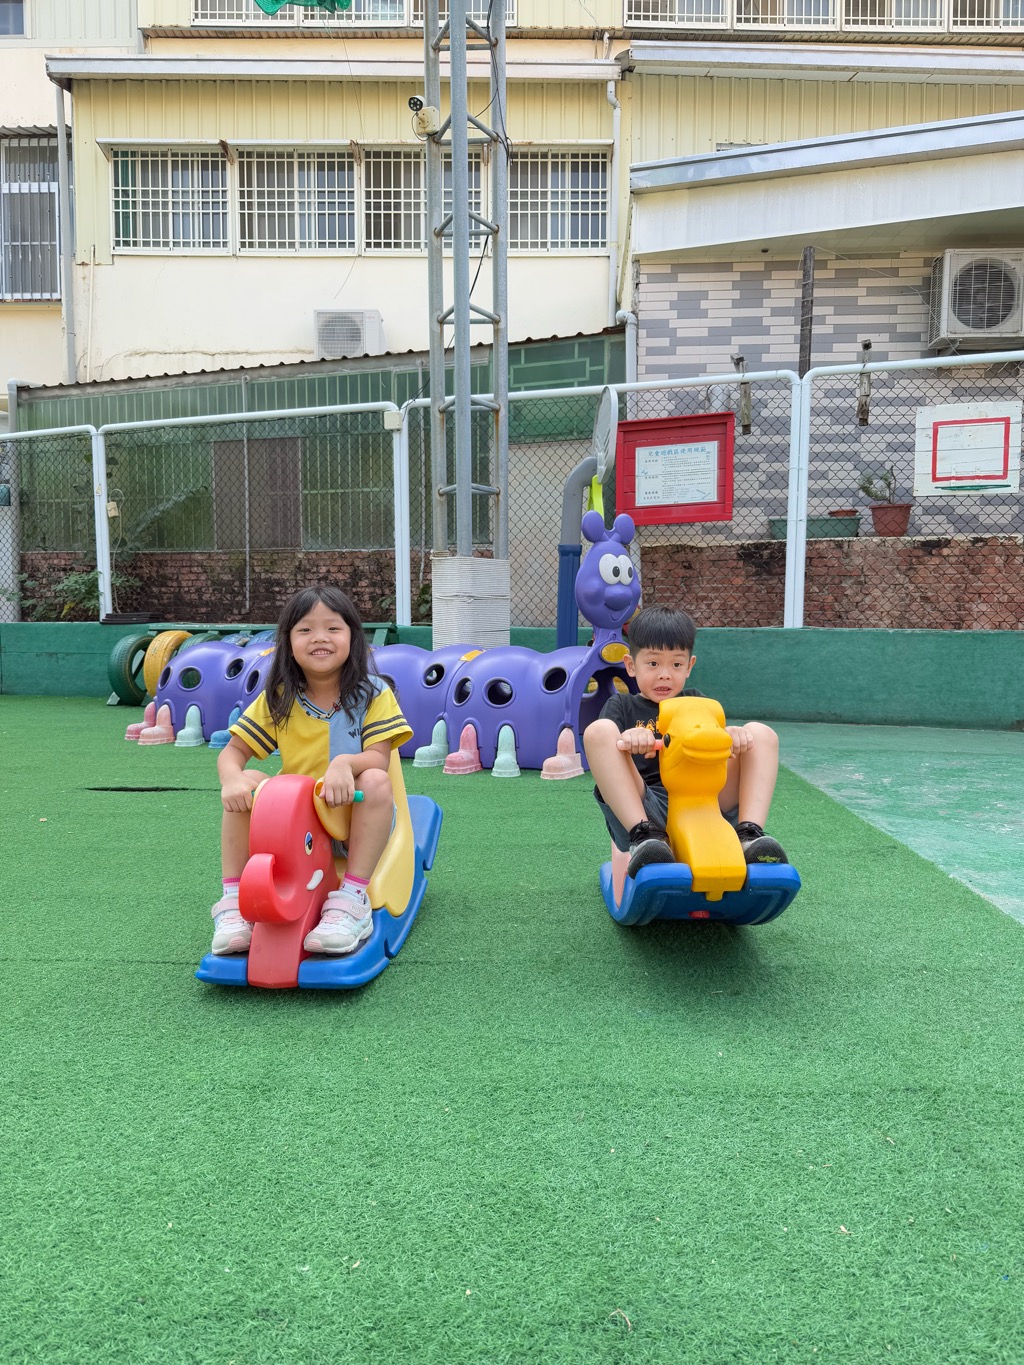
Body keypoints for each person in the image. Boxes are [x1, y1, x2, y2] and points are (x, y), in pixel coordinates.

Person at [209, 584, 412, 957]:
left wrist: (344, 763)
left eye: (333, 628)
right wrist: (232, 778)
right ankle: (234, 900)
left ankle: (352, 899)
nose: (320, 638)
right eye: (305, 629)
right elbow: (233, 752)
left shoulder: (373, 694)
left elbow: (379, 758)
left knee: (375, 780)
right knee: (249, 782)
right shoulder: (280, 697)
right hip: (293, 828)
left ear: (353, 637)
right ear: (288, 642)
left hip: (352, 822)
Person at [583, 604, 788, 880]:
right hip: (648, 806)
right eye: (653, 664)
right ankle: (644, 838)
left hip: (705, 801)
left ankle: (749, 834)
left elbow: (717, 747)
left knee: (760, 734)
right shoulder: (622, 706)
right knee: (599, 732)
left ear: (689, 666)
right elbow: (605, 749)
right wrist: (627, 739)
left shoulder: (697, 702)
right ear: (631, 665)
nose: (665, 674)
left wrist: (732, 736)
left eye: (676, 664)